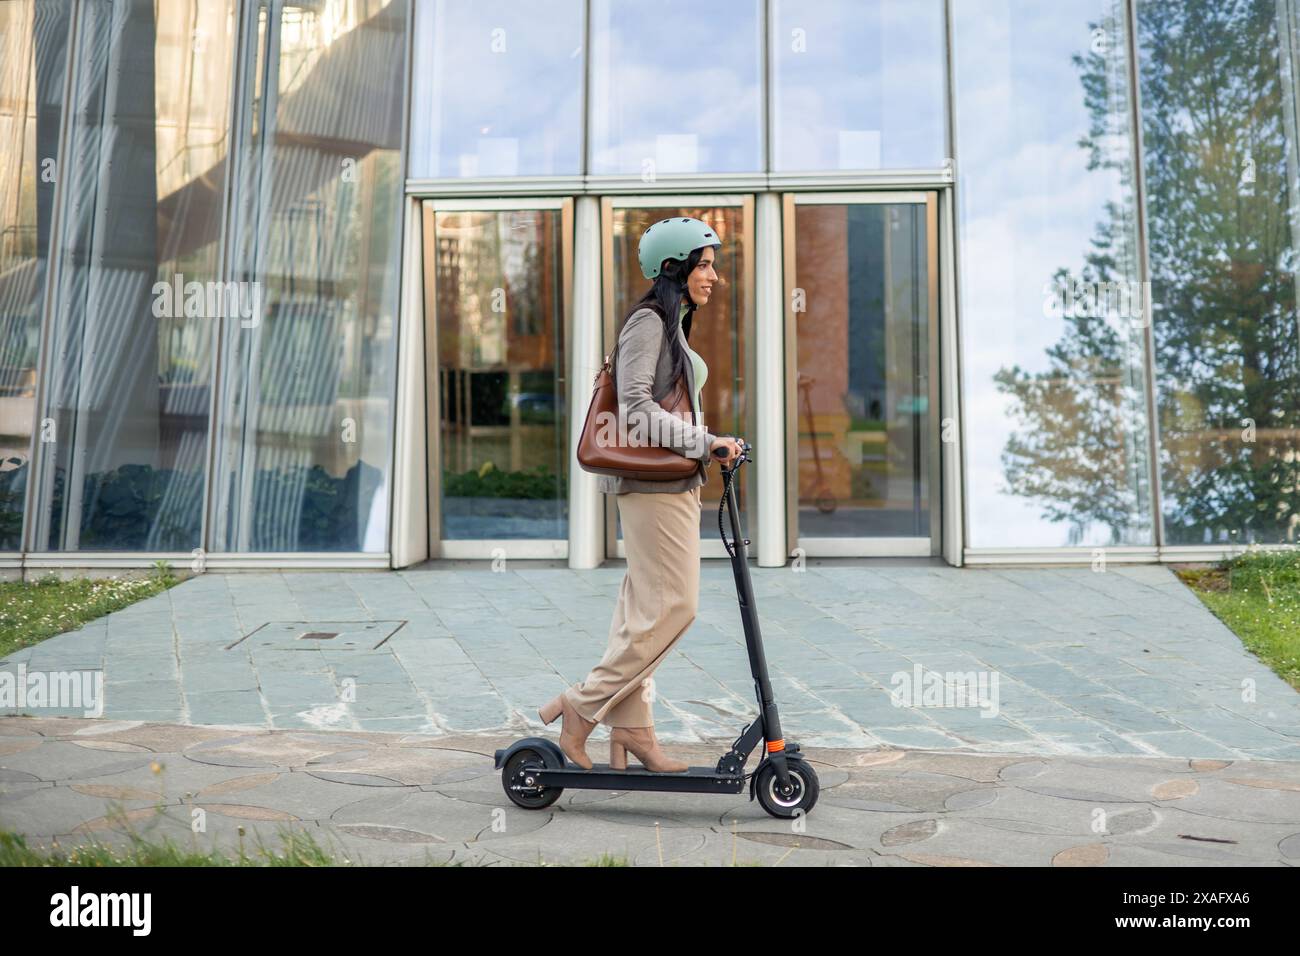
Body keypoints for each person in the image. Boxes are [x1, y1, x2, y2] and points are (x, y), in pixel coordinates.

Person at [538, 217, 745, 772]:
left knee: (641, 614)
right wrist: (705, 441)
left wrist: (708, 442)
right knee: (676, 607)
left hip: (670, 484)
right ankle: (580, 707)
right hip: (653, 487)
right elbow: (635, 409)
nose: (714, 276)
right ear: (674, 267)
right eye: (704, 265)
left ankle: (633, 730)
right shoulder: (648, 323)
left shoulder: (669, 324)